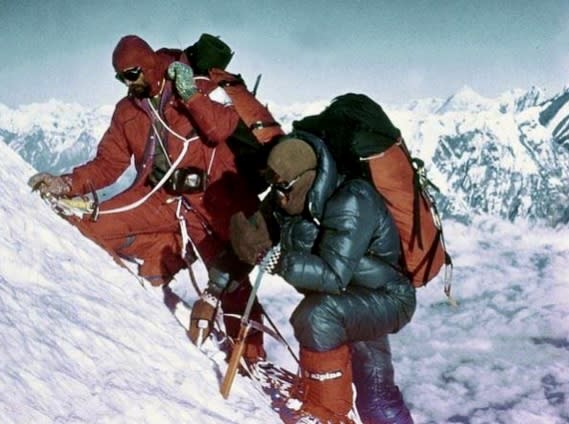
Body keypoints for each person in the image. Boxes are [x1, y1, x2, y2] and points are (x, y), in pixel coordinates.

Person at [28, 35, 281, 362]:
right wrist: (67, 183)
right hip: (161, 197)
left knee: (232, 284)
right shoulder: (127, 111)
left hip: (217, 201)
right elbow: (109, 163)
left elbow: (220, 129)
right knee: (90, 228)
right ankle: (162, 260)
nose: (126, 84)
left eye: (131, 75)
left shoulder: (193, 88)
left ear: (148, 67)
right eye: (120, 78)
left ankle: (251, 359)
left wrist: (189, 94)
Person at [231, 134, 416, 423]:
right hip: (347, 298)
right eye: (275, 187)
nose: (278, 195)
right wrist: (214, 288)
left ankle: (327, 414)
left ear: (306, 178)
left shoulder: (352, 199)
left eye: (285, 187)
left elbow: (333, 275)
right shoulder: (286, 200)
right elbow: (255, 240)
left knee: (318, 318)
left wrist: (278, 261)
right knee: (375, 393)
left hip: (387, 297)